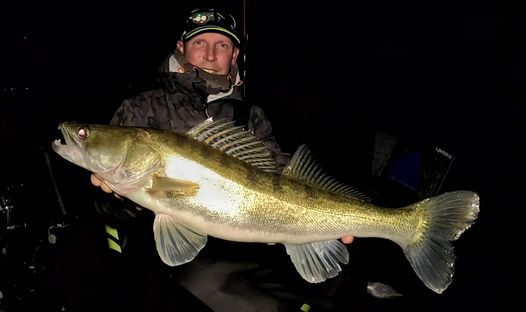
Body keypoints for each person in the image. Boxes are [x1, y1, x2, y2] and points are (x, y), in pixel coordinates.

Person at [89, 7, 356, 311]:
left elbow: (283, 175)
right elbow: (106, 208)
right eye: (200, 43)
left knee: (328, 293)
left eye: (222, 45)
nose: (211, 54)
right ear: (181, 47)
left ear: (234, 55)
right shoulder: (143, 108)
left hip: (239, 250)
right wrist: (121, 198)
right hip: (156, 250)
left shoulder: (250, 117)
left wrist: (333, 215)